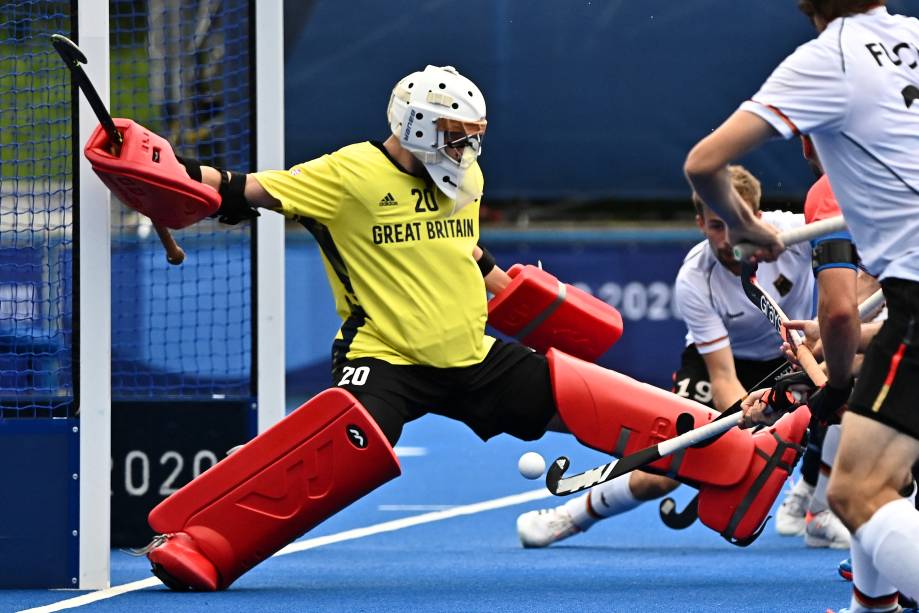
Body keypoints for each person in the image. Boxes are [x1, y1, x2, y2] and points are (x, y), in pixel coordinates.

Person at [141, 65, 809, 591]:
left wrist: (509, 287)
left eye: (472, 133)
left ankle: (738, 467)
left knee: (609, 405)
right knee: (341, 447)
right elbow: (236, 189)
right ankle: (204, 540)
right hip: (385, 359)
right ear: (420, 126)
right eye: (456, 132)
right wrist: (154, 172)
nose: (468, 145)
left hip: (473, 353)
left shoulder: (464, 174)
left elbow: (462, 249)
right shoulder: (346, 174)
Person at [684, 2, 919, 610]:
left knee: (859, 493)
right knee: (878, 480)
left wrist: (743, 227)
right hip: (904, 303)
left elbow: (704, 163)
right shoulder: (914, 36)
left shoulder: (827, 59)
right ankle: (873, 608)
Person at [516, 165, 815, 548]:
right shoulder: (695, 277)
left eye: (736, 222)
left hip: (790, 354)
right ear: (699, 224)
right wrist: (753, 443)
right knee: (665, 472)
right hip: (723, 365)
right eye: (714, 226)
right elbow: (723, 377)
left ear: (757, 216)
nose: (726, 239)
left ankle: (811, 501)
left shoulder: (799, 233)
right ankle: (571, 517)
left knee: (845, 400)